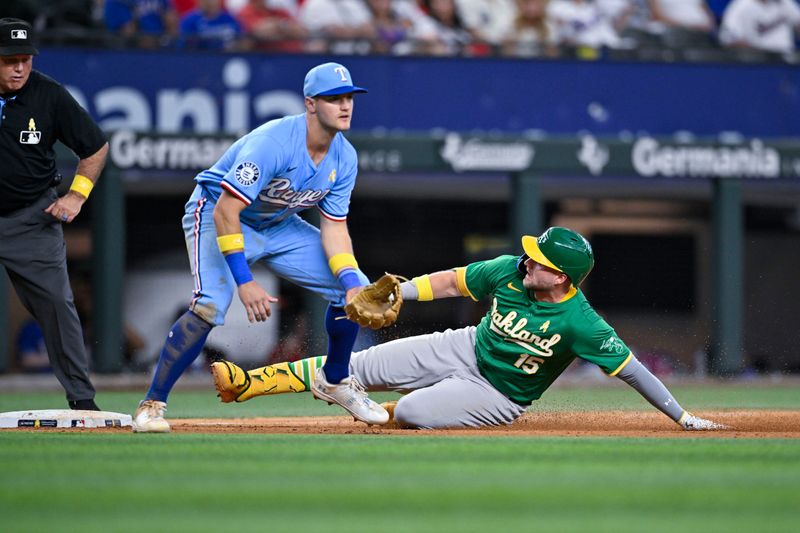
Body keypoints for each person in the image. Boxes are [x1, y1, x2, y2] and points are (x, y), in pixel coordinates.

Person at [211, 226, 726, 431]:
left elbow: (634, 372)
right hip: (463, 348)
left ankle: (380, 409)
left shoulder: (581, 321)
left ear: (562, 277)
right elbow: (453, 283)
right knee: (356, 366)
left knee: (412, 410)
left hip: (500, 394)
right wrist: (401, 292)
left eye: (540, 260)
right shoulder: (509, 269)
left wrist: (682, 416)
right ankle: (248, 385)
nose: (529, 261)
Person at [132, 62, 388, 432]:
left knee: (354, 290)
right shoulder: (273, 143)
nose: (345, 105)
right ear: (311, 104)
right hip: (215, 214)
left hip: (277, 223)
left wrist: (350, 283)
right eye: (334, 98)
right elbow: (226, 210)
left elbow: (335, 229)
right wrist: (244, 279)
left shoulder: (344, 157)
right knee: (209, 306)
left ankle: (334, 380)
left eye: (349, 97)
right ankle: (152, 404)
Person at [0, 18, 108, 411]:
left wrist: (77, 197)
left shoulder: (48, 94)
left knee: (58, 306)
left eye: (25, 59)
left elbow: (94, 147)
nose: (19, 68)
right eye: (9, 59)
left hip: (31, 218)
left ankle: (82, 400)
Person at [719, 0, 800, 57]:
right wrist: (757, 50)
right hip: (758, 61)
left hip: (787, 58)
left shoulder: (784, 2)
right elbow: (728, 39)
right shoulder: (740, 7)